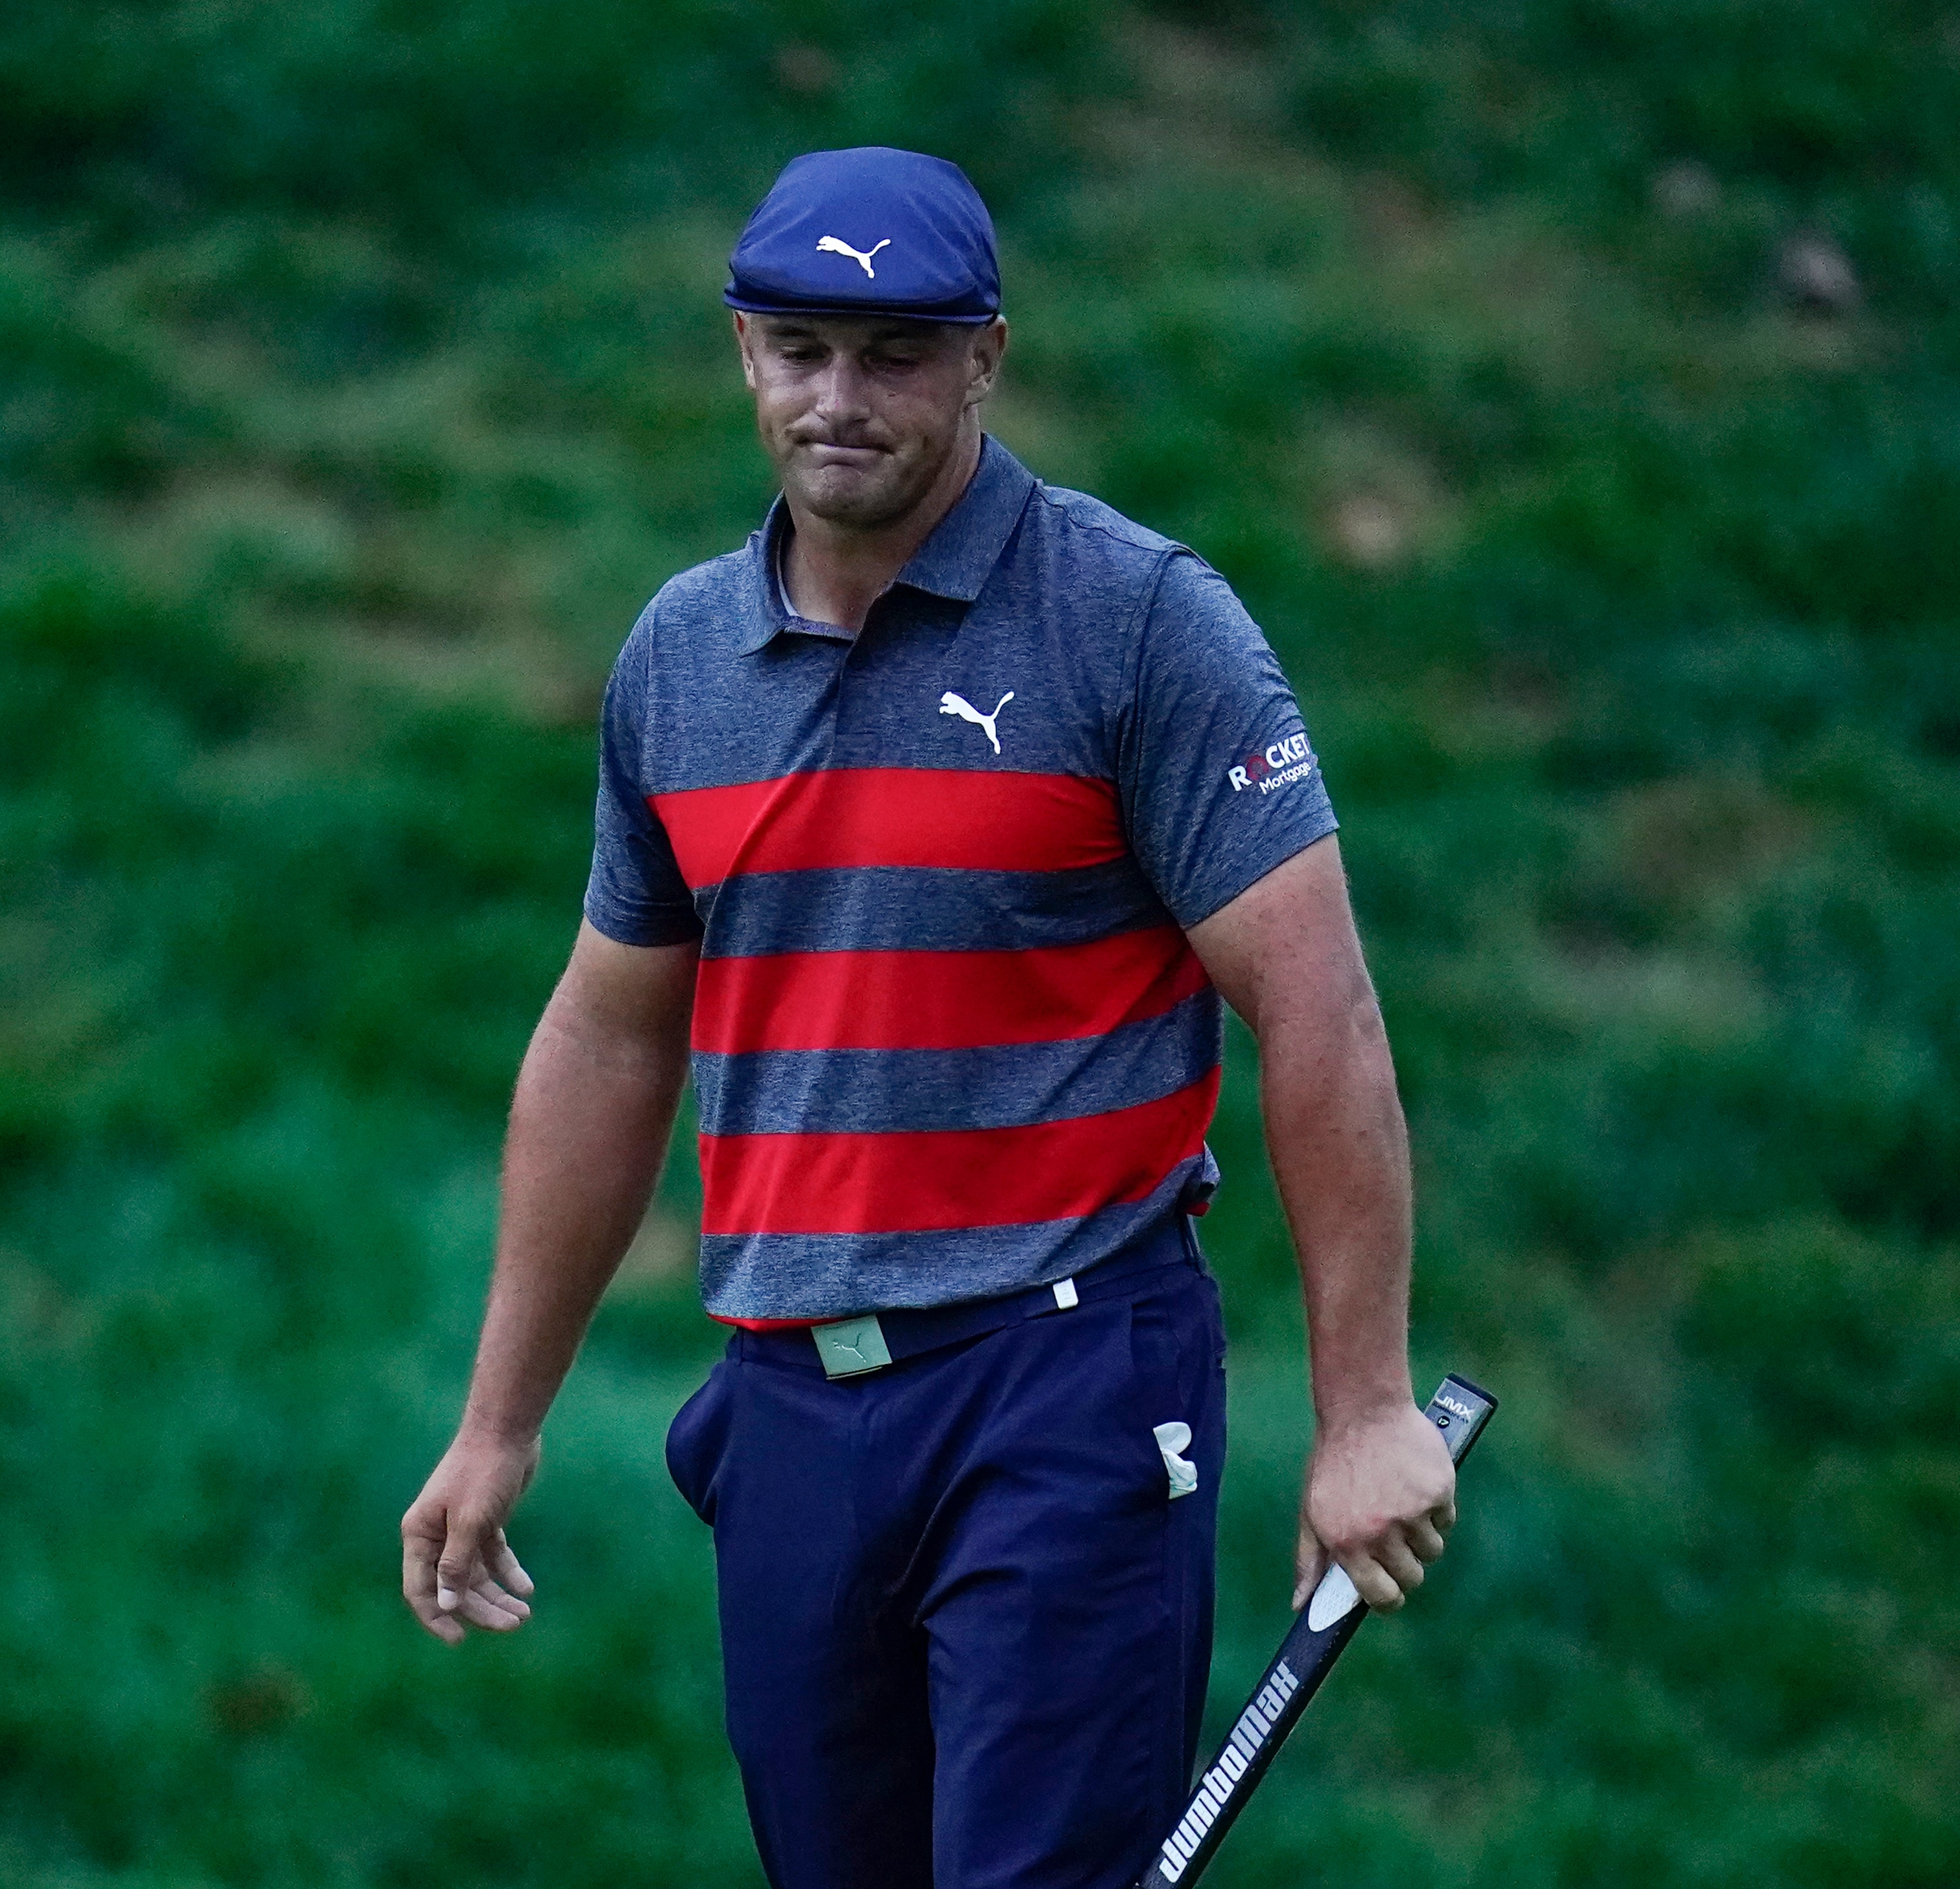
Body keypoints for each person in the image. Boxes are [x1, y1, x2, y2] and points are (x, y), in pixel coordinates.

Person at [400, 145, 1457, 1889]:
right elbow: (608, 1040)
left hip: (1065, 1383)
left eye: (893, 354)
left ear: (984, 358)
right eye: (800, 348)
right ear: (744, 350)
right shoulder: (679, 661)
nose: (840, 398)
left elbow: (1319, 1013)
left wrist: (1361, 1411)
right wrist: (501, 1419)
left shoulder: (1138, 623)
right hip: (795, 1408)